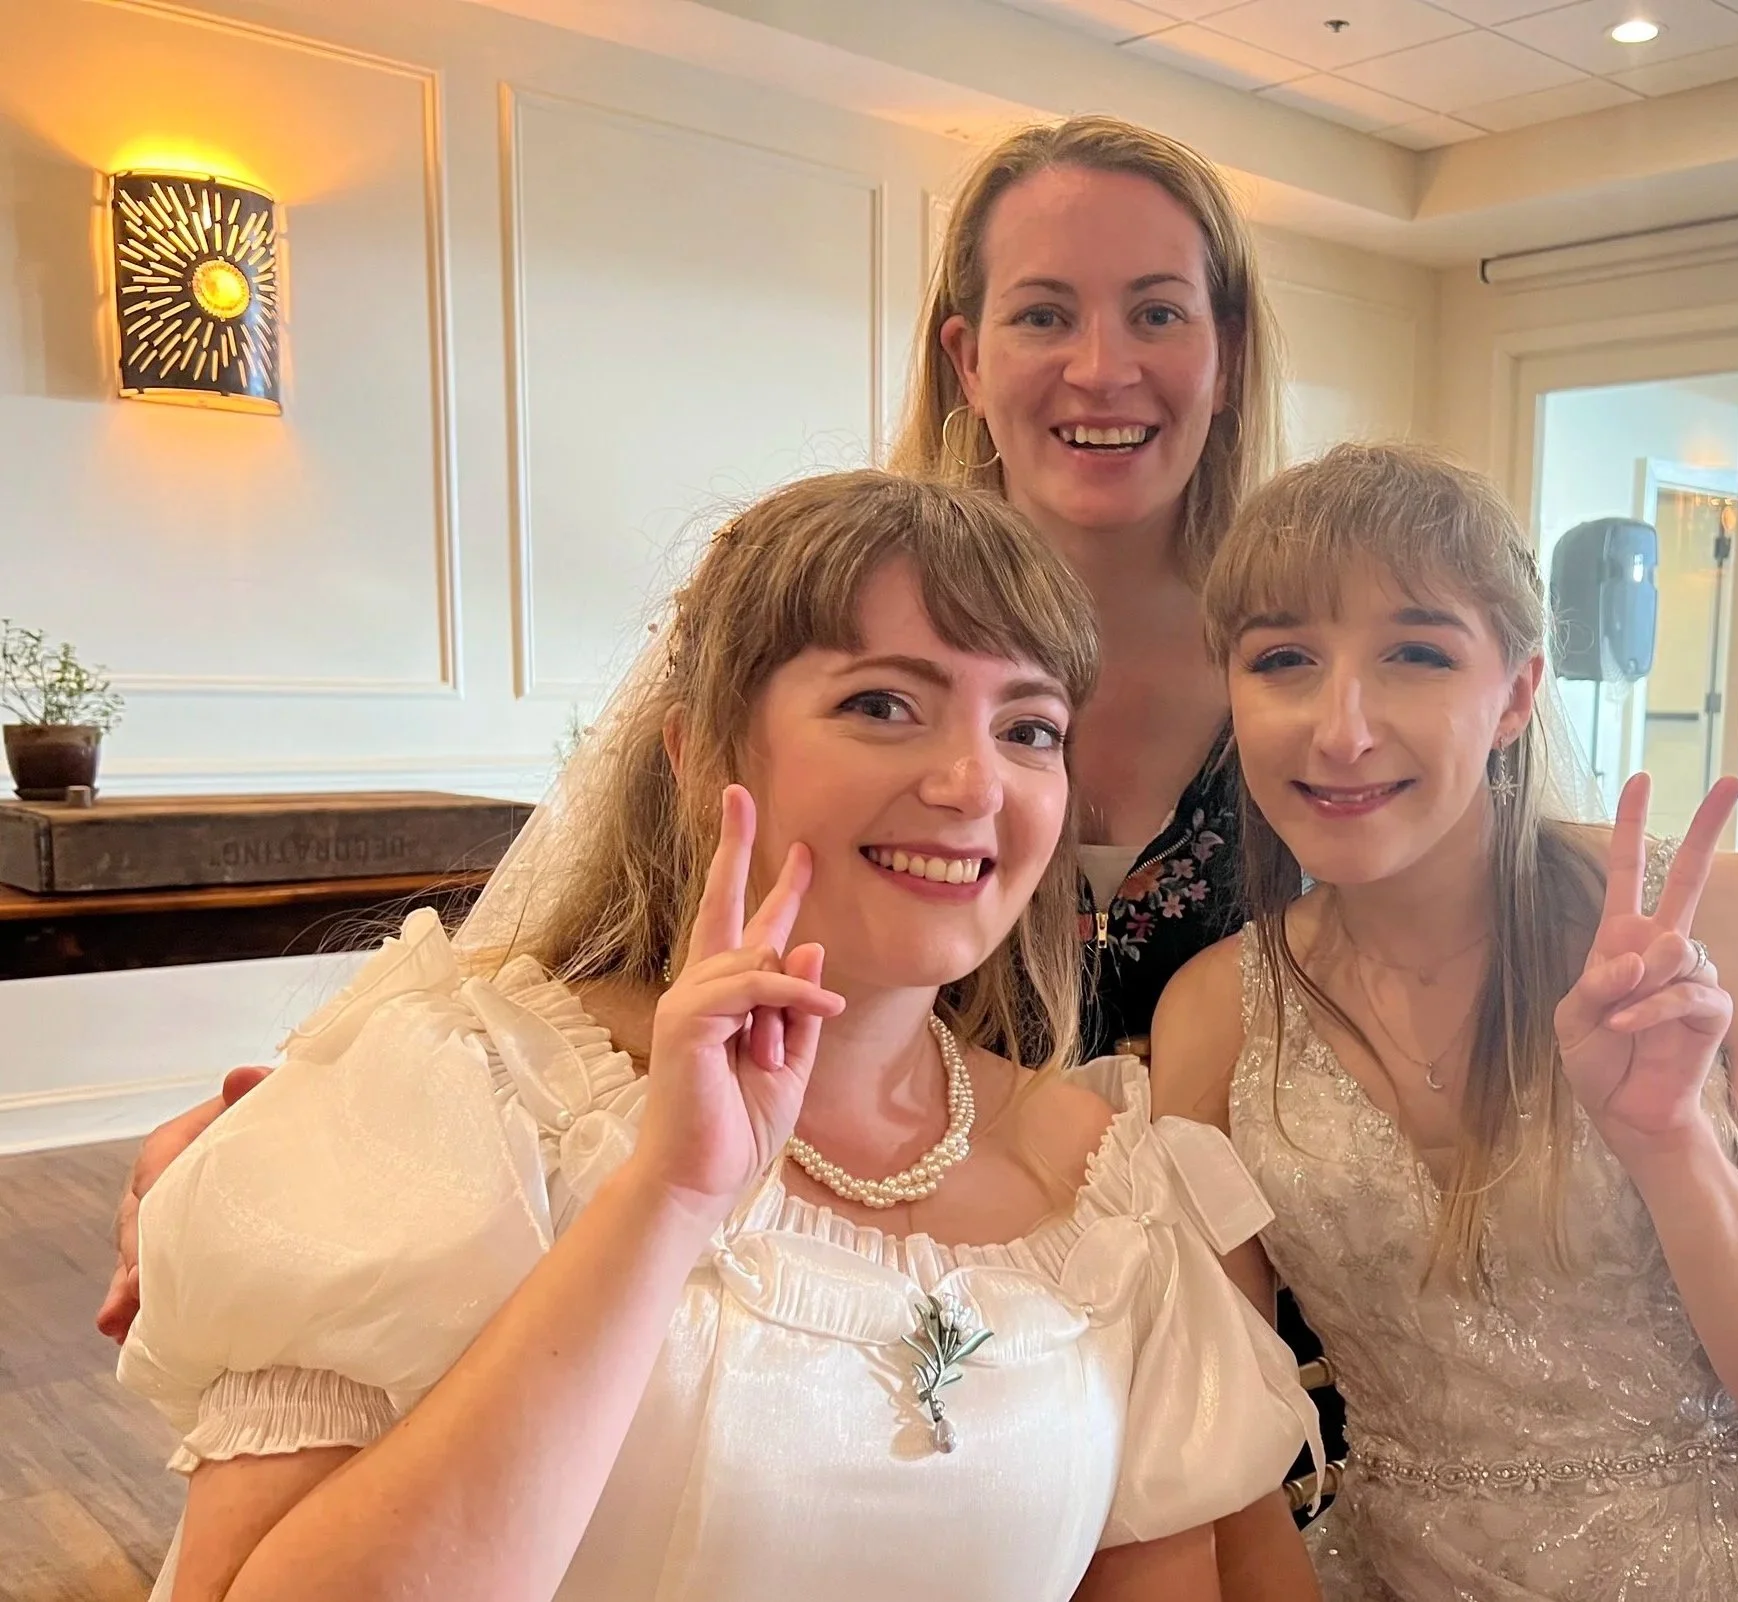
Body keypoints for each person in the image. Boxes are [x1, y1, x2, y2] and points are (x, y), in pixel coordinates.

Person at [100, 114, 1331, 1578]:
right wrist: (349, 1119)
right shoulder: (530, 1089)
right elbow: (578, 952)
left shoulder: (1329, 690)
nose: (1102, 365)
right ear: (964, 355)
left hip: (1232, 1325)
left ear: (1228, 349)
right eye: (883, 702)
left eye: (1027, 729)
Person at [1152, 443, 1738, 1602]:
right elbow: (1209, 1445)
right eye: (1283, 661)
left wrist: (1670, 1145)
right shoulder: (1215, 1013)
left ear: (1516, 695)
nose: (1340, 729)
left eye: (1416, 655)